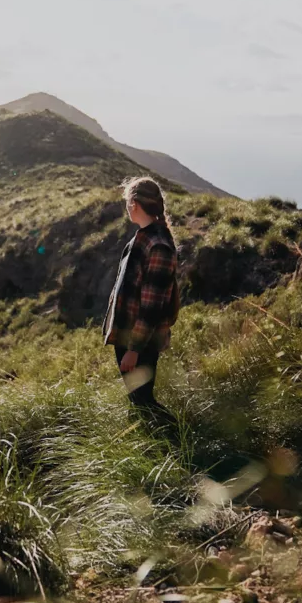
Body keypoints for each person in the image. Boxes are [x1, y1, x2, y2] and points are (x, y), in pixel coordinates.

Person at [103, 176, 179, 422]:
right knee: (137, 399)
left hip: (139, 341)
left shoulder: (157, 245)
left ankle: (180, 445)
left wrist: (134, 349)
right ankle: (148, 447)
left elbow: (152, 306)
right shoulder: (144, 237)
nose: (126, 207)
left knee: (143, 401)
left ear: (134, 204)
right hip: (129, 336)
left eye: (127, 202)